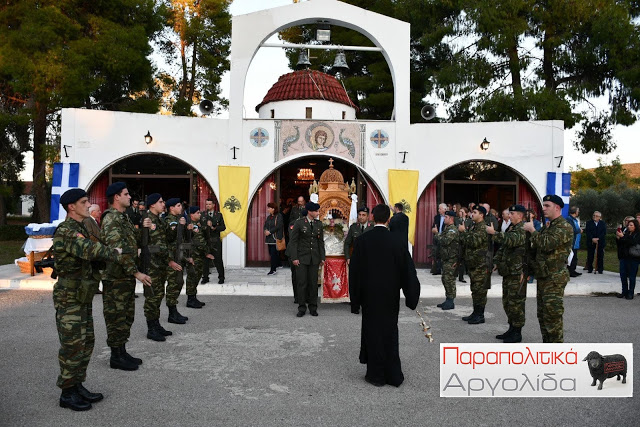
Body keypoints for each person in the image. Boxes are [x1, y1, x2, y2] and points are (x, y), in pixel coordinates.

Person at [52, 188, 122, 411]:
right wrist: (115, 252)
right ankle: (67, 392)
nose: (88, 205)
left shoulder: (80, 227)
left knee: (86, 341)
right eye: (84, 202)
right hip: (68, 296)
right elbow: (91, 250)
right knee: (72, 344)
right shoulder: (66, 230)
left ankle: (77, 384)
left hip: (81, 294)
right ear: (72, 207)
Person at [349, 204, 420, 387]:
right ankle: (393, 374)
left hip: (369, 296)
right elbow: (408, 271)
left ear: (372, 218)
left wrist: (355, 300)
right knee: (389, 331)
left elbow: (355, 272)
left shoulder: (363, 240)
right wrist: (411, 296)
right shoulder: (396, 241)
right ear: (388, 219)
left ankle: (375, 375)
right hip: (390, 295)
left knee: (372, 332)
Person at [100, 182, 152, 371]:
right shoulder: (111, 219)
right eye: (126, 194)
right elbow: (118, 251)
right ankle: (116, 356)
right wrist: (136, 272)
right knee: (116, 317)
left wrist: (143, 228)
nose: (130, 197)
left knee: (125, 316)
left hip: (124, 276)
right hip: (115, 278)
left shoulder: (124, 218)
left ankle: (122, 351)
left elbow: (131, 242)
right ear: (116, 197)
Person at [524, 195, 573, 343]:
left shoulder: (564, 226)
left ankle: (556, 353)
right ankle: (547, 348)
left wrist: (533, 231)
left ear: (557, 208)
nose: (543, 208)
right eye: (543, 205)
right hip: (544, 275)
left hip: (554, 277)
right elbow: (538, 249)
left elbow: (546, 244)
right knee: (543, 315)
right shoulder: (550, 226)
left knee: (552, 316)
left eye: (547, 206)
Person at [489, 205, 528, 342]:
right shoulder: (512, 228)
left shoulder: (523, 229)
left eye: (512, 213)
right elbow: (504, 248)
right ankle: (511, 328)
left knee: (516, 303)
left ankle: (517, 332)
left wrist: (494, 233)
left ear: (520, 216)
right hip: (508, 271)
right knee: (508, 302)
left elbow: (510, 240)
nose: (509, 216)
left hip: (518, 273)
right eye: (509, 213)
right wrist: (496, 261)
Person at [143, 193, 173, 342]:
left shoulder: (159, 221)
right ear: (152, 205)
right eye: (161, 202)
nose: (164, 204)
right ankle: (151, 329)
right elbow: (148, 245)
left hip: (160, 265)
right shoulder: (147, 220)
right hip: (151, 266)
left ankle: (156, 324)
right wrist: (165, 255)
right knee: (152, 298)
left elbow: (169, 238)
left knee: (158, 295)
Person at [288, 201, 325, 317]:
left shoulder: (319, 224)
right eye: (316, 211)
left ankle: (313, 307)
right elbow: (293, 242)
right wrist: (294, 257)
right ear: (309, 212)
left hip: (314, 258)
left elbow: (320, 242)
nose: (318, 213)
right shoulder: (299, 223)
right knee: (302, 283)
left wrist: (322, 257)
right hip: (302, 258)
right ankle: (302, 307)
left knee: (313, 284)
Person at [458, 206, 489, 324]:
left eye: (475, 212)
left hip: (480, 265)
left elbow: (474, 242)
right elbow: (466, 242)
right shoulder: (475, 226)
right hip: (474, 264)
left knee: (480, 291)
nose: (472, 214)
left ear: (481, 215)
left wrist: (464, 231)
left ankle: (480, 315)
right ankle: (476, 313)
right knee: (475, 290)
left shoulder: (482, 228)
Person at [164, 198, 191, 325]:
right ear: (171, 208)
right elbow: (168, 238)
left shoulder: (178, 220)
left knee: (179, 282)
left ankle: (174, 311)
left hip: (179, 256)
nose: (181, 208)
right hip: (172, 258)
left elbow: (183, 240)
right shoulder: (169, 221)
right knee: (173, 284)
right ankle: (172, 313)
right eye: (178, 205)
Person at [185, 206, 213, 308]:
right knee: (192, 277)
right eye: (197, 213)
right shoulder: (190, 226)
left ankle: (193, 297)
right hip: (193, 255)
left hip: (199, 255)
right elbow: (194, 241)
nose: (199, 214)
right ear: (192, 215)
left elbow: (203, 238)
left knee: (197, 277)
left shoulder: (198, 224)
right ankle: (190, 299)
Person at [433, 210, 459, 310]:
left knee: (449, 280)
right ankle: (448, 299)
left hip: (451, 259)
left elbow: (445, 241)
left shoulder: (452, 230)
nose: (444, 219)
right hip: (446, 258)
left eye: (446, 217)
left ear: (451, 219)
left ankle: (451, 301)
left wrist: (436, 234)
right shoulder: (447, 228)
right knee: (445, 279)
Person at [201, 198, 226, 284]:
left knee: (218, 260)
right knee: (205, 260)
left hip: (215, 241)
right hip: (206, 240)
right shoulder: (203, 214)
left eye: (209, 204)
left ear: (213, 205)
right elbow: (200, 227)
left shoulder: (218, 215)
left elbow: (223, 227)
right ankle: (205, 277)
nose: (207, 205)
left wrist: (214, 228)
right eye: (206, 204)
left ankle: (221, 277)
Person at [287, 196, 306, 302]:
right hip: (293, 253)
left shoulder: (307, 211)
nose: (300, 204)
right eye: (298, 202)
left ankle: (304, 296)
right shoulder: (294, 210)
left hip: (303, 253)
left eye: (301, 202)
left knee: (304, 277)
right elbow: (290, 222)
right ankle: (297, 297)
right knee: (295, 276)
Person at [615, 219, 640, 299]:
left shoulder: (638, 234)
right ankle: (624, 291)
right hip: (624, 257)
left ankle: (630, 293)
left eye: (631, 225)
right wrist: (619, 238)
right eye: (628, 225)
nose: (629, 227)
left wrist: (623, 237)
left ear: (635, 226)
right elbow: (621, 243)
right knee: (623, 275)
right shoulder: (626, 233)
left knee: (632, 276)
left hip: (633, 258)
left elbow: (632, 242)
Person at [264, 202, 284, 275]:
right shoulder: (269, 217)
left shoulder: (279, 216)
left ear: (273, 209)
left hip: (275, 238)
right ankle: (279, 264)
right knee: (272, 253)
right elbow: (265, 225)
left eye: (269, 208)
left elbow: (278, 226)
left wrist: (270, 232)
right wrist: (265, 230)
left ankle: (273, 269)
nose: (268, 209)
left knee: (273, 254)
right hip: (269, 239)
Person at [566, 207, 583, 277]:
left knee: (575, 257)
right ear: (575, 212)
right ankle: (570, 271)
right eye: (578, 211)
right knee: (571, 257)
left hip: (576, 241)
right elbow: (572, 230)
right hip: (572, 241)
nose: (578, 212)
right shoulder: (569, 219)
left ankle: (573, 270)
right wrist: (579, 231)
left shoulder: (575, 219)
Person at [431, 203, 447, 275]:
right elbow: (433, 226)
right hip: (437, 237)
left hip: (444, 237)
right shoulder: (436, 217)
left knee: (444, 254)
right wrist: (433, 229)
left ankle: (444, 269)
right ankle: (437, 270)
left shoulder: (448, 217)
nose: (438, 210)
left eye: (440, 209)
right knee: (436, 254)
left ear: (445, 209)